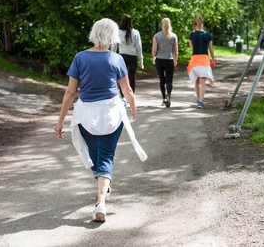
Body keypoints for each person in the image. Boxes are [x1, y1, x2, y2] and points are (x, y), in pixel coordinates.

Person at [54, 18, 147, 223]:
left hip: (86, 115)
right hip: (111, 114)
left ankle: (101, 196)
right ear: (112, 36)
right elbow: (127, 89)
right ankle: (101, 202)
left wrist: (60, 120)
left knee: (97, 155)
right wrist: (132, 106)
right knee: (105, 156)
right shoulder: (116, 59)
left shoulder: (80, 57)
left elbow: (70, 92)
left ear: (93, 34)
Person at [110, 15, 144, 105]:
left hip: (122, 58)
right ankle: (131, 94)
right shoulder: (136, 32)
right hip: (132, 57)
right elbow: (139, 47)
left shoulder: (118, 33)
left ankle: (124, 97)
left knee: (121, 78)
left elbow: (114, 46)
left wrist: (111, 56)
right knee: (132, 77)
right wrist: (141, 60)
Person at [187, 15, 215, 109]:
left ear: (195, 24)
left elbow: (191, 46)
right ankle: (201, 102)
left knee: (196, 81)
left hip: (195, 59)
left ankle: (198, 99)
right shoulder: (208, 35)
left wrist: (194, 34)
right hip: (204, 59)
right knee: (203, 81)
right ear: (202, 24)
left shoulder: (192, 35)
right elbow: (211, 50)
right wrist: (213, 60)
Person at [152, 18, 178, 108]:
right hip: (169, 59)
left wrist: (153, 57)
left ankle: (164, 99)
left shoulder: (156, 36)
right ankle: (169, 95)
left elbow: (154, 50)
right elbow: (176, 51)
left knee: (162, 79)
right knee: (169, 80)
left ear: (161, 25)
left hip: (159, 59)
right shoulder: (174, 36)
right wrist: (175, 60)